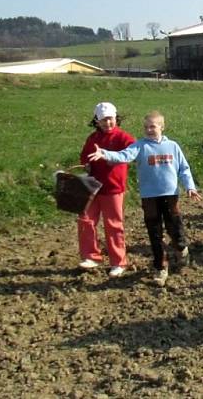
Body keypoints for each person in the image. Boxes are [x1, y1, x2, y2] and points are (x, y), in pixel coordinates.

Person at [87, 110, 202, 287]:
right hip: (149, 197)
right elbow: (123, 156)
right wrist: (105, 154)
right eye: (146, 127)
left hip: (170, 194)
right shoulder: (140, 146)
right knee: (154, 232)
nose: (149, 130)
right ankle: (160, 267)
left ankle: (181, 247)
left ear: (162, 127)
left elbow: (183, 169)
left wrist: (190, 187)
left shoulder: (172, 146)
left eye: (152, 127)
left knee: (174, 226)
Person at [77, 102, 135, 277]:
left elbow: (133, 152)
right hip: (92, 186)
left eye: (110, 119)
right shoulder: (93, 138)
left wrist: (112, 158)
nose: (107, 123)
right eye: (103, 120)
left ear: (116, 118)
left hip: (113, 188)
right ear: (97, 121)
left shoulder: (123, 138)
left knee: (113, 224)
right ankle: (91, 256)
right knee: (85, 219)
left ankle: (119, 262)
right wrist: (86, 164)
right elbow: (84, 156)